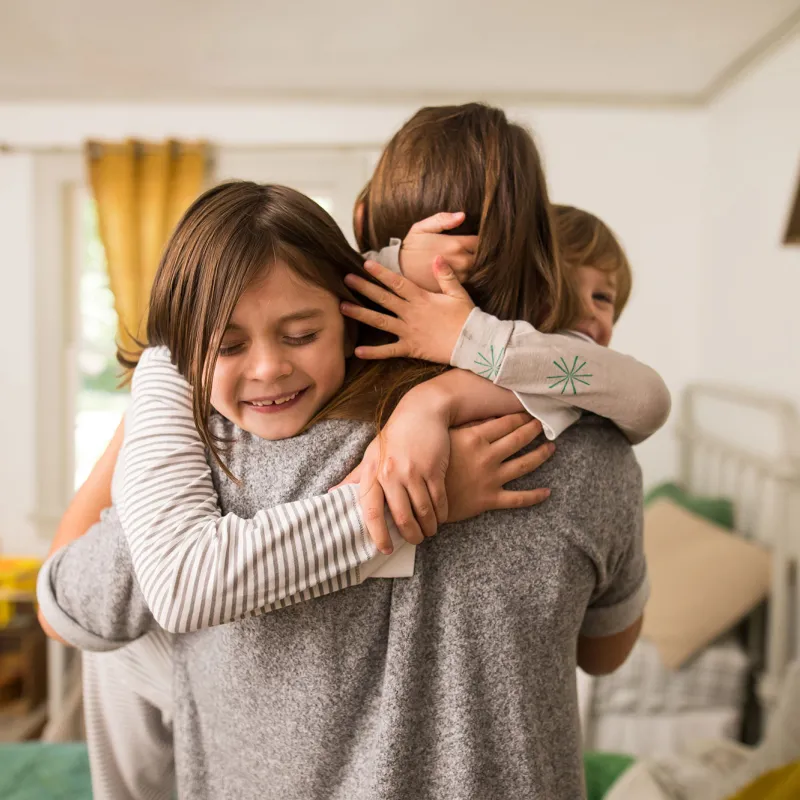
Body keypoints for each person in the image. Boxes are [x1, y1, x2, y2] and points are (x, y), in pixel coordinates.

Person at [40, 103, 660, 799]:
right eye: (233, 343)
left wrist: (160, 395)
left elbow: (69, 607)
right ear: (545, 254)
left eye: (299, 333)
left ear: (358, 238)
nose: (270, 368)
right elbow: (605, 652)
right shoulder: (594, 446)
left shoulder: (226, 454)